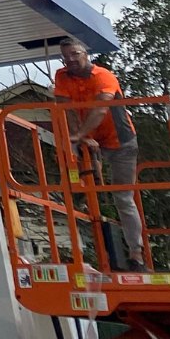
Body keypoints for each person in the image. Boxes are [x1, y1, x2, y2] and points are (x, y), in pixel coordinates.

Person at [52, 36, 143, 269]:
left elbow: (101, 109)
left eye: (75, 54)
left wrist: (80, 134)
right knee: (69, 163)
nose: (70, 59)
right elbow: (65, 109)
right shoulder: (62, 76)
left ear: (86, 54)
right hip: (89, 141)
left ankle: (136, 253)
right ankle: (80, 197)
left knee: (123, 197)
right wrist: (80, 137)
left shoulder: (103, 76)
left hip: (120, 142)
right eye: (65, 56)